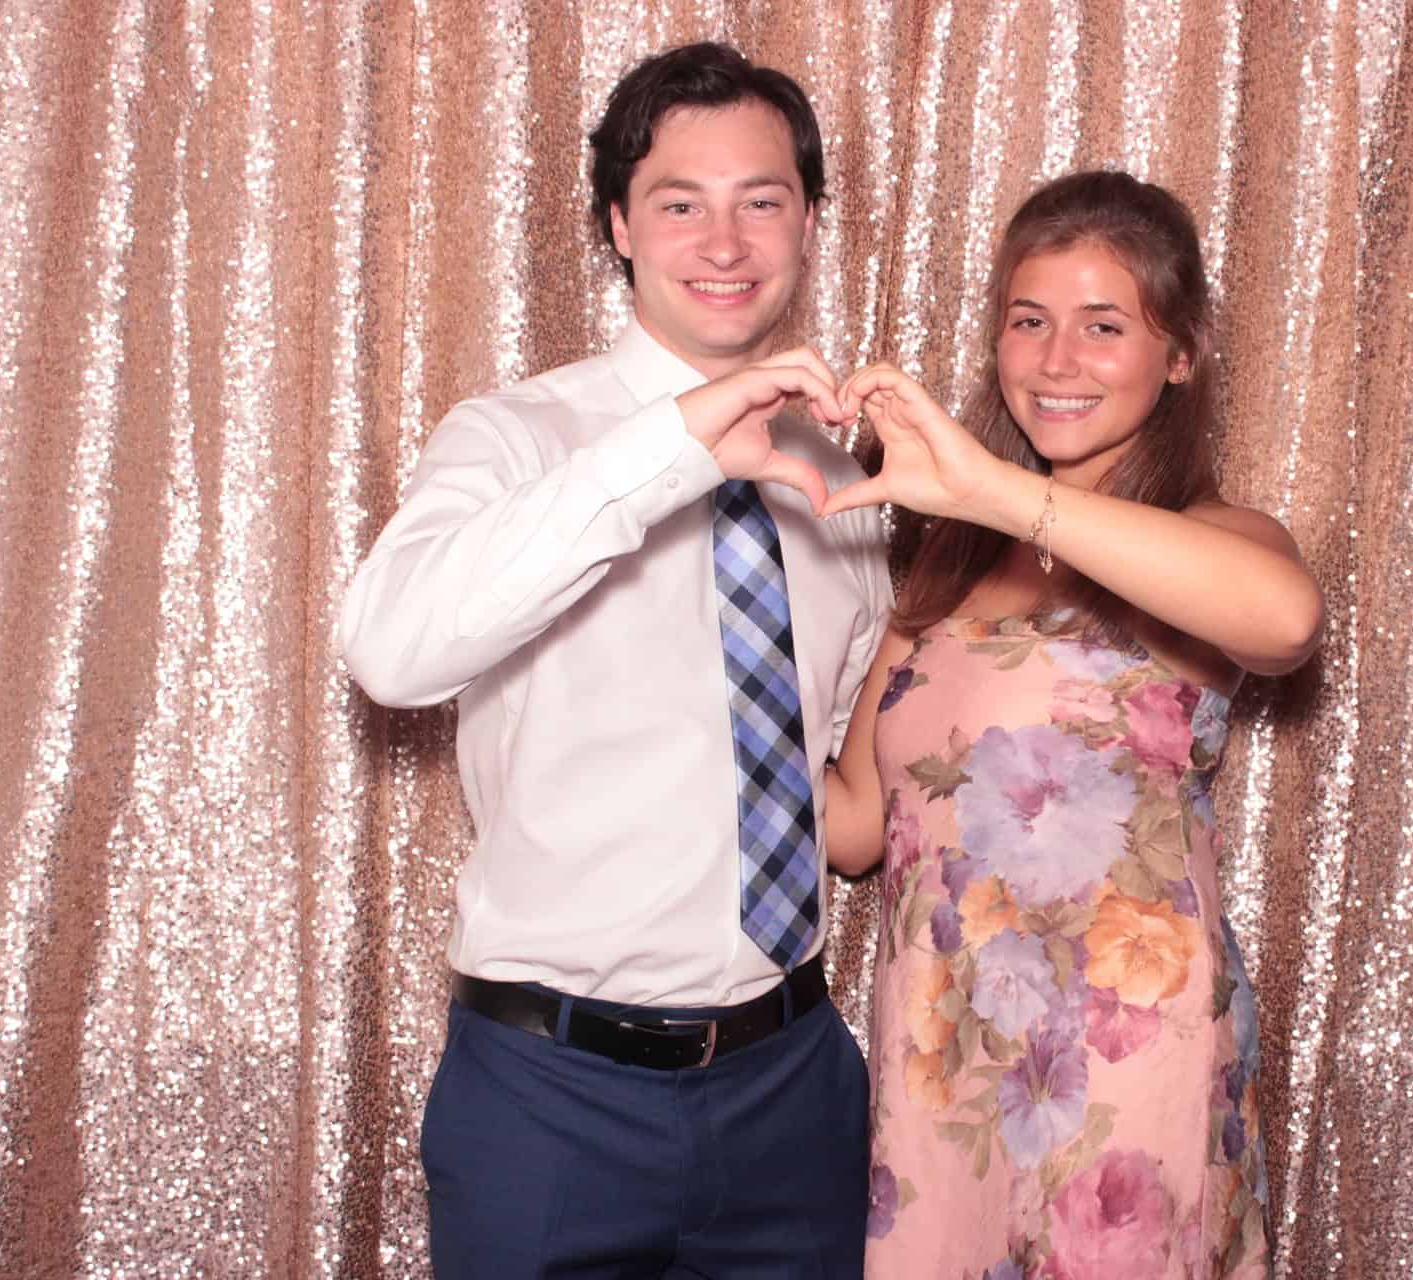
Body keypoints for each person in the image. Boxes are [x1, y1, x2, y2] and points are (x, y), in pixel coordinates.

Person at [339, 42, 890, 1280]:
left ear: (808, 221)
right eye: (680, 203)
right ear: (619, 226)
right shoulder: (516, 437)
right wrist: (681, 443)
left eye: (763, 200)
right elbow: (390, 649)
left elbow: (839, 769)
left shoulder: (851, 483)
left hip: (793, 1085)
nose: (726, 241)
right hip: (551, 1096)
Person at [821, 170, 1324, 1279]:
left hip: (1121, 1060)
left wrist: (999, 490)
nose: (1057, 361)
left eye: (1104, 326)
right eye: (1029, 322)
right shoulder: (945, 564)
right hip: (945, 1054)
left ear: (1179, 354)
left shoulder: (1213, 536)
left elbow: (1287, 620)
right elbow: (857, 824)